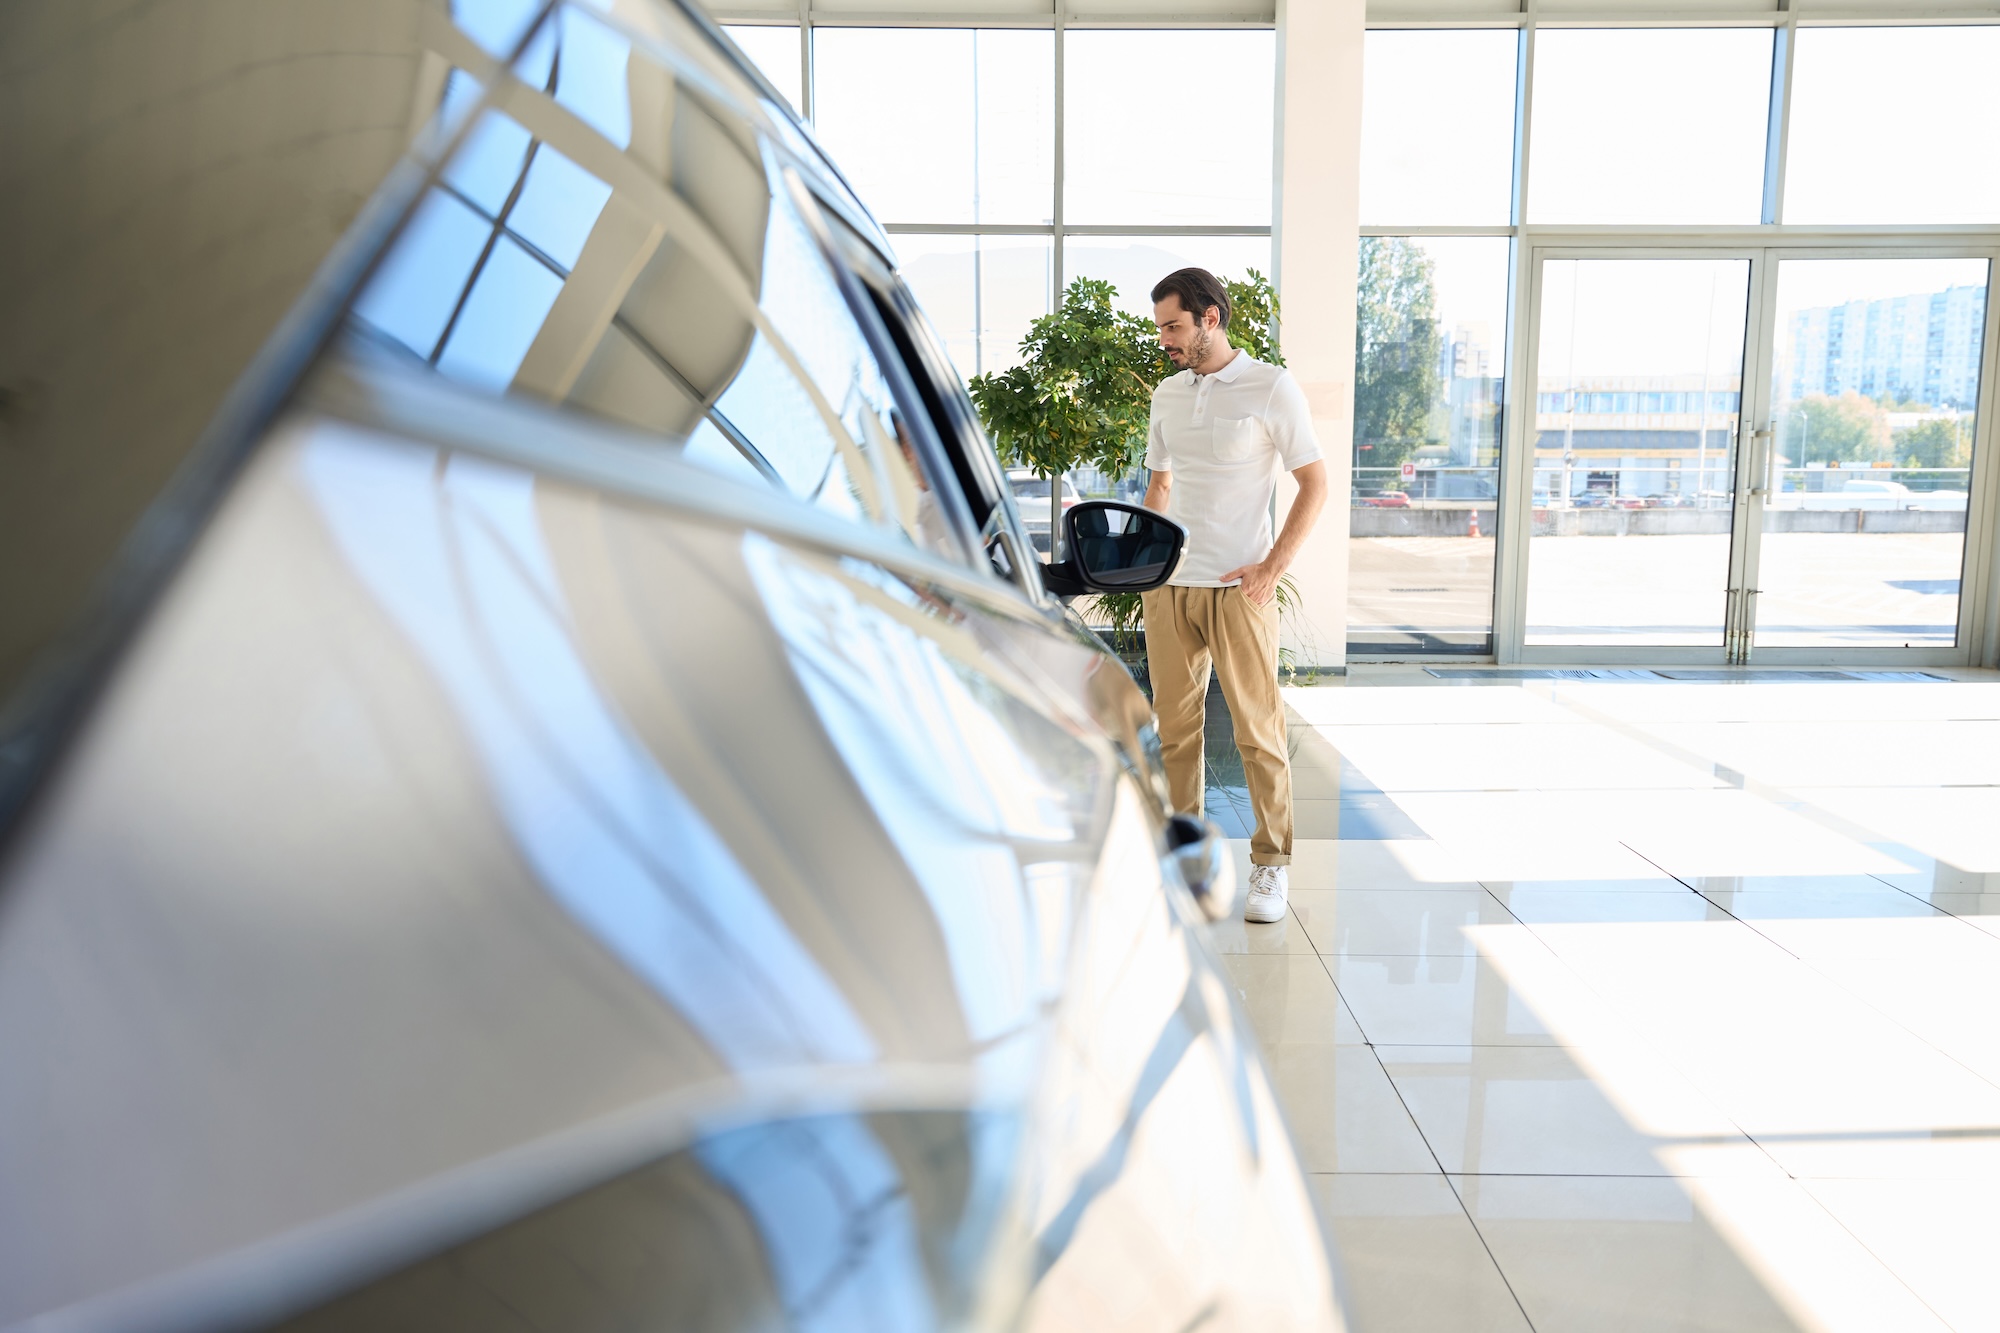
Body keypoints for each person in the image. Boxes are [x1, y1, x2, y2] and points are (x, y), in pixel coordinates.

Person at [1140, 268, 1328, 924]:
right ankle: (1186, 860)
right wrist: (1141, 564)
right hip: (1169, 587)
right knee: (1174, 733)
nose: (1163, 337)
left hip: (1236, 588)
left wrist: (1271, 568)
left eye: (1174, 325)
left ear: (1210, 319)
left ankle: (1271, 866)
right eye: (1161, 324)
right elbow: (1159, 488)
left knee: (1257, 731)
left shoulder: (1270, 385)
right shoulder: (1166, 393)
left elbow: (1315, 482)